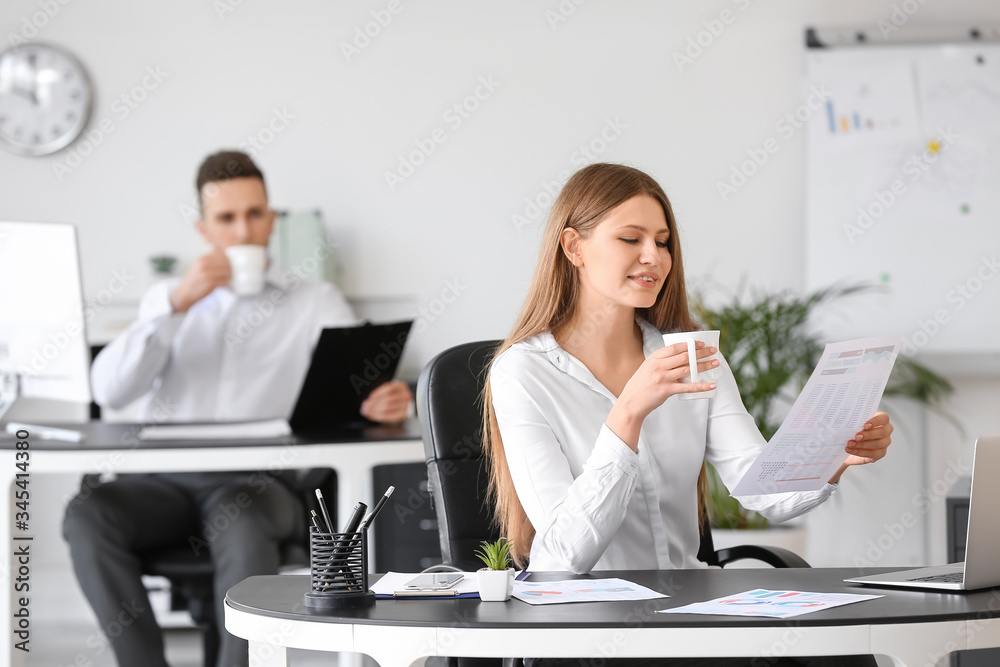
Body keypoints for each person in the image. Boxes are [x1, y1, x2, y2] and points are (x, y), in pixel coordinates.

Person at [483, 163, 892, 667]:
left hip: (696, 615)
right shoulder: (523, 372)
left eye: (663, 241)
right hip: (590, 627)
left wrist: (837, 453)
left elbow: (759, 487)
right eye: (630, 239)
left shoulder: (696, 358)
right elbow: (562, 558)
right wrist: (629, 412)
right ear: (573, 248)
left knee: (846, 651)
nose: (653, 257)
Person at [62, 150, 412, 667]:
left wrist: (387, 398)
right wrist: (175, 306)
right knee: (88, 516)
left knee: (242, 515)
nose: (243, 230)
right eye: (227, 218)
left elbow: (357, 387)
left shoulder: (315, 300)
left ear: (271, 219)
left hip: (262, 485)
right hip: (167, 483)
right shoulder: (168, 299)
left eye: (254, 215)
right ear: (204, 229)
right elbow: (109, 390)